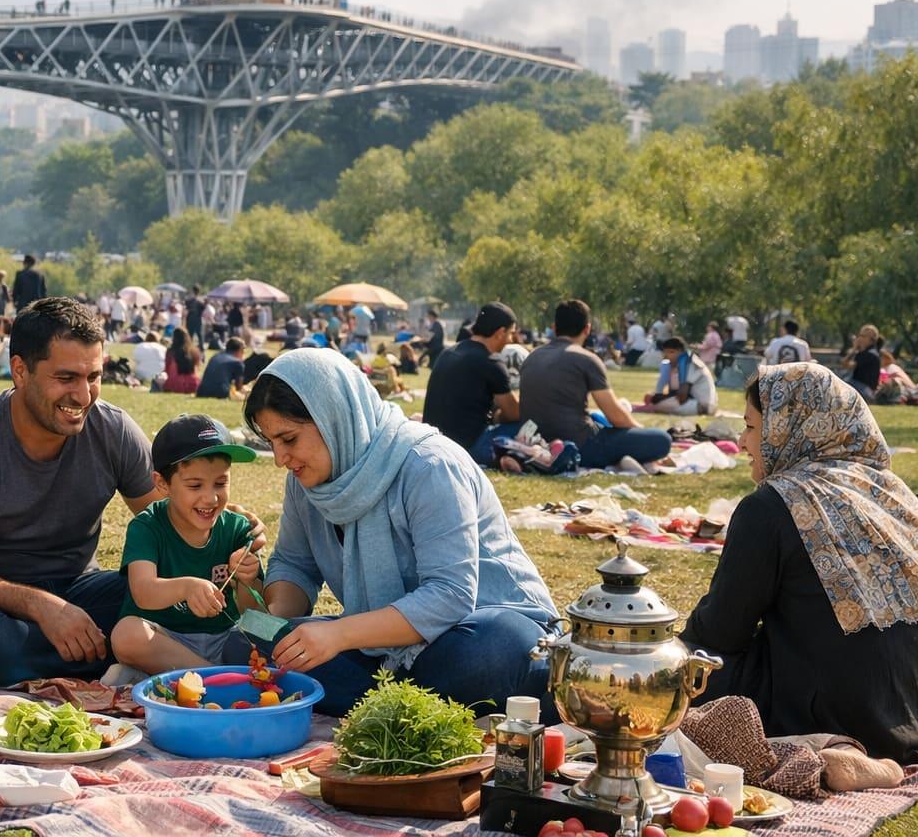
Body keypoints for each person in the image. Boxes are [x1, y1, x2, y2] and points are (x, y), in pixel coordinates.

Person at [0, 298, 265, 685]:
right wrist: (42, 607)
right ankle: (112, 659)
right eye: (66, 378)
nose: (83, 396)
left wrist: (223, 523)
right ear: (20, 370)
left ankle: (147, 662)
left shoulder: (112, 429)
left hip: (84, 590)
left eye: (94, 377)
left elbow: (174, 521)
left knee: (154, 598)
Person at [220, 348, 558, 718]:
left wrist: (339, 635)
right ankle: (400, 704)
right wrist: (278, 624)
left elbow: (451, 595)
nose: (281, 458)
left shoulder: (428, 464)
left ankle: (381, 701)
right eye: (271, 443)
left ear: (334, 418)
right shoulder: (304, 484)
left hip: (475, 628)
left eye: (289, 439)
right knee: (246, 641)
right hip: (381, 647)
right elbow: (294, 565)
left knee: (492, 649)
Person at [681, 364, 918, 763]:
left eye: (751, 427)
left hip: (841, 718)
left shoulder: (770, 506)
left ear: (784, 431)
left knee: (674, 669)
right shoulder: (888, 490)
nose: (743, 441)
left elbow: (720, 633)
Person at [110, 415, 261, 672]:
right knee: (126, 635)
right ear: (162, 484)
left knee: (273, 629)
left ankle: (200, 679)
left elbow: (252, 611)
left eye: (221, 483)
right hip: (168, 642)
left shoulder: (237, 528)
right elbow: (143, 591)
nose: (211, 498)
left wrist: (247, 579)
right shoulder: (147, 527)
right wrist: (186, 588)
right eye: (195, 485)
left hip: (227, 639)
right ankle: (212, 676)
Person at [519, 299, 673, 469]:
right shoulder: (586, 358)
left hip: (535, 443)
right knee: (661, 440)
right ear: (587, 329)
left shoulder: (532, 357)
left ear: (554, 328)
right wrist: (640, 431)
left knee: (597, 420)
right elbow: (616, 416)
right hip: (581, 445)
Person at [422, 302, 522, 466]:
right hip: (469, 446)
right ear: (500, 332)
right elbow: (513, 414)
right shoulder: (491, 362)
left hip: (433, 443)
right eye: (510, 333)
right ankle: (504, 456)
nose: (510, 340)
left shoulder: (448, 353)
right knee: (525, 425)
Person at [641, 336, 718, 415]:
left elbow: (682, 398)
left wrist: (658, 398)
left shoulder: (690, 363)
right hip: (695, 403)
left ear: (681, 352)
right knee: (658, 401)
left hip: (702, 407)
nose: (667, 356)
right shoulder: (680, 364)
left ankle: (653, 407)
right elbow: (676, 392)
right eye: (665, 352)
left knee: (658, 405)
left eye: (671, 352)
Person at [845, 325, 883, 403]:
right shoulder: (865, 353)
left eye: (862, 336)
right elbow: (845, 364)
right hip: (861, 388)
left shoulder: (870, 354)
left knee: (841, 383)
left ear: (871, 339)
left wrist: (854, 349)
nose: (859, 338)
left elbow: (847, 365)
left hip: (865, 391)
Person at [162, 327, 203, 394]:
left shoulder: (171, 352)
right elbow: (197, 368)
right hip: (193, 384)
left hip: (174, 384)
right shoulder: (194, 351)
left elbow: (167, 370)